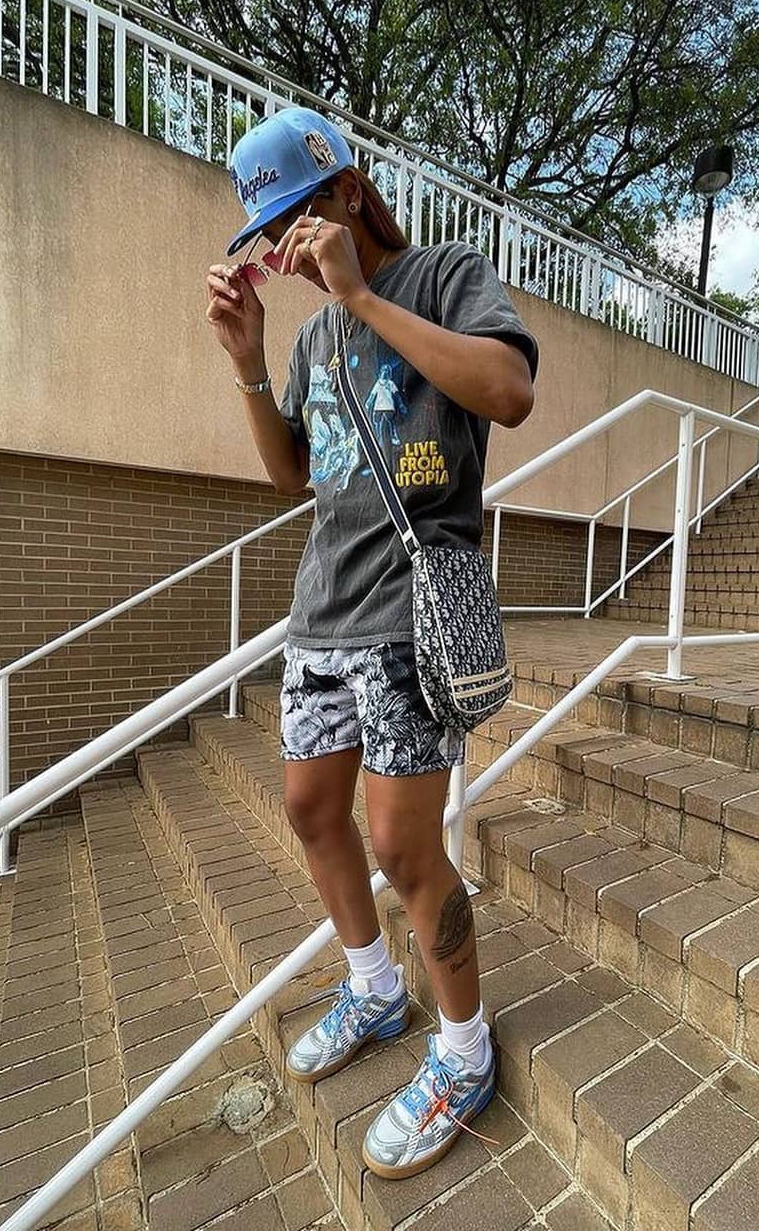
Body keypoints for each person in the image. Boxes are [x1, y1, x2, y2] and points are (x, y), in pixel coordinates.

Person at [204, 105, 539, 1180]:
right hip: (321, 616)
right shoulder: (310, 337)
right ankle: (374, 988)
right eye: (271, 240)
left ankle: (465, 1050)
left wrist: (359, 294)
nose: (286, 252)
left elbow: (511, 393)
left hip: (408, 617)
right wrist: (250, 361)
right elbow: (292, 475)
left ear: (347, 193)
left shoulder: (443, 275)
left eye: (295, 223)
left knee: (404, 846)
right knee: (311, 811)